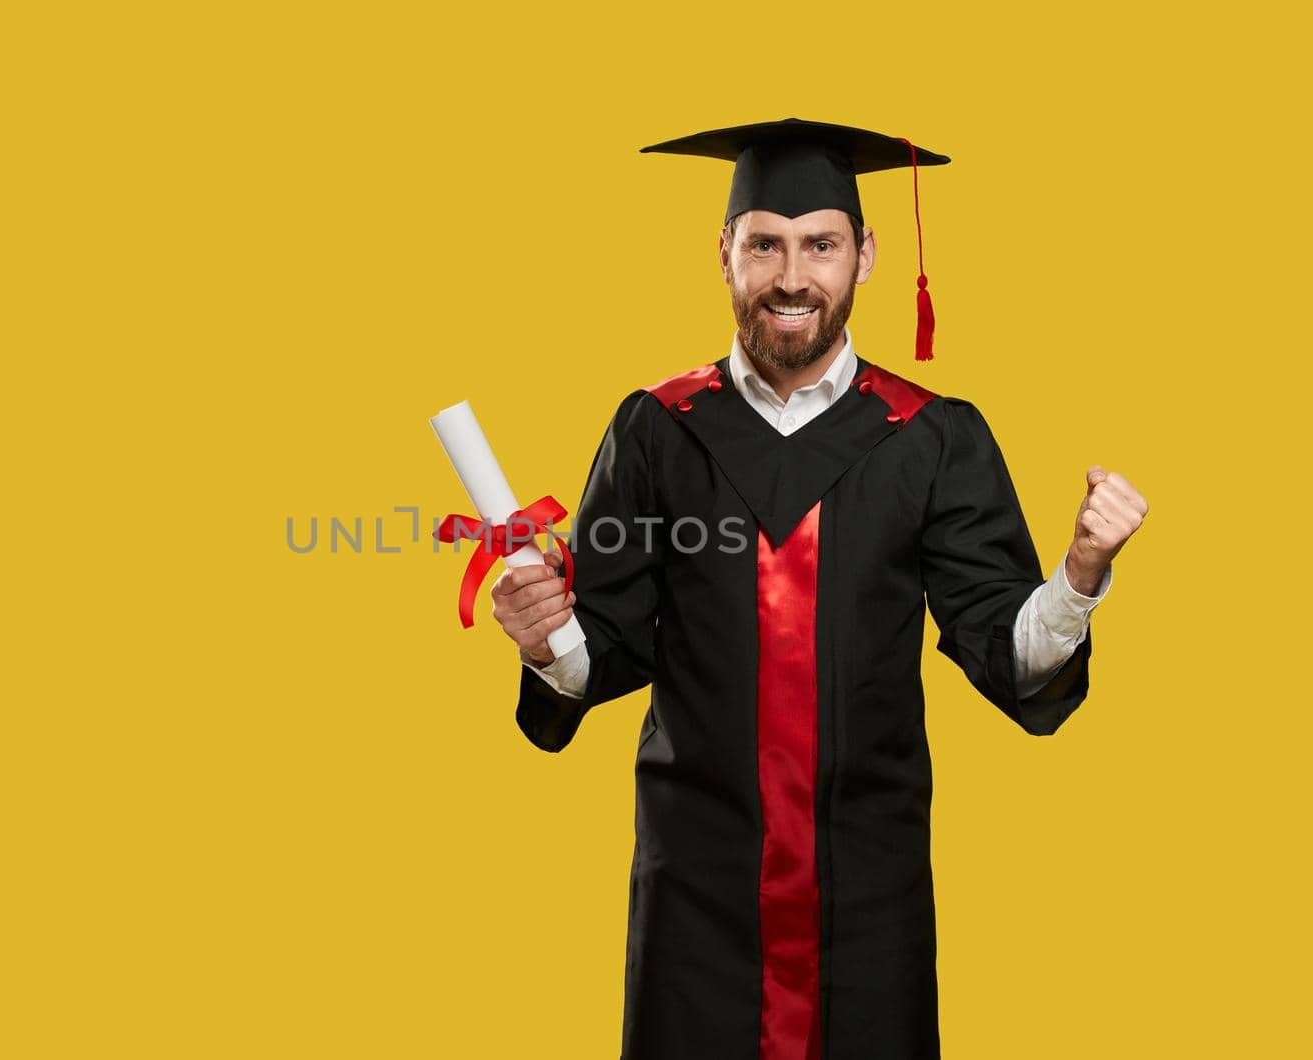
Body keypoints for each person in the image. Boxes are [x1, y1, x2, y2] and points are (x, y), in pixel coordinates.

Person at [488, 118, 1148, 1060]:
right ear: (724, 254)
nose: (791, 276)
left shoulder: (932, 437)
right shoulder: (656, 429)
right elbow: (606, 648)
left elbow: (1003, 647)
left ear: (865, 256)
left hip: (865, 896)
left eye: (820, 245)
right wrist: (542, 638)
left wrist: (1080, 576)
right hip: (697, 898)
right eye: (764, 243)